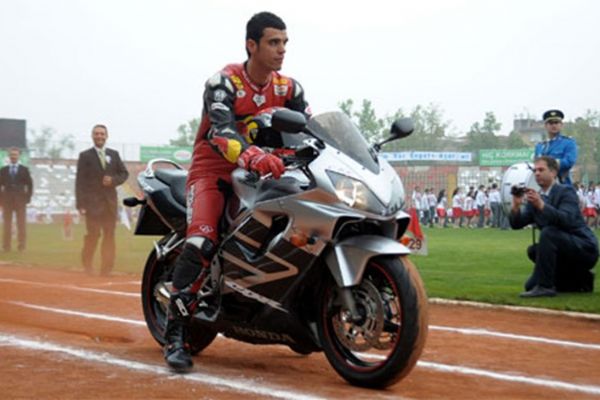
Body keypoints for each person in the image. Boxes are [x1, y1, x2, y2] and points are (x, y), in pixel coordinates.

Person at [163, 11, 311, 373]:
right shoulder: (223, 83)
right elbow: (221, 131)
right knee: (202, 241)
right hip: (214, 171)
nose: (281, 50)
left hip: (265, 172)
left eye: (284, 42)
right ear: (251, 45)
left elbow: (310, 129)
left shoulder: (289, 88)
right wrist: (252, 155)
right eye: (273, 42)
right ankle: (175, 333)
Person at [509, 156, 598, 297]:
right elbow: (516, 224)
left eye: (541, 170)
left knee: (548, 233)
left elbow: (566, 220)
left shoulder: (566, 192)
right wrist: (516, 205)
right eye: (535, 170)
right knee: (533, 254)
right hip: (562, 248)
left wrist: (541, 205)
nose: (537, 173)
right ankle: (580, 280)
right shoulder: (537, 198)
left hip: (584, 248)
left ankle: (546, 287)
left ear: (553, 172)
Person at [75, 124, 129, 276]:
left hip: (110, 204)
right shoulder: (85, 156)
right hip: (92, 204)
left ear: (106, 136)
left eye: (102, 134)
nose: (99, 136)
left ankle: (106, 269)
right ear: (92, 136)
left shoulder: (114, 154)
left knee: (109, 236)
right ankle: (87, 265)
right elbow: (80, 181)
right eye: (96, 134)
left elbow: (124, 174)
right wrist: (80, 204)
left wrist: (113, 180)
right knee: (93, 235)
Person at [0, 147, 33, 252]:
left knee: (21, 224)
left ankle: (21, 246)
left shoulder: (24, 170)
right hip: (7, 201)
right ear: (9, 156)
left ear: (19, 156)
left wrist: (27, 198)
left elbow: (30, 185)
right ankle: (6, 246)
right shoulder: (3, 170)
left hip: (20, 201)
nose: (13, 156)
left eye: (15, 154)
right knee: (7, 224)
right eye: (12, 155)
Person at [534, 109, 577, 185]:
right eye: (550, 123)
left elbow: (569, 161)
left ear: (561, 125)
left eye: (556, 122)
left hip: (562, 184)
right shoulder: (540, 146)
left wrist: (550, 164)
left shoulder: (568, 143)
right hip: (543, 186)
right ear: (545, 126)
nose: (554, 125)